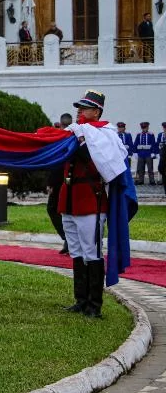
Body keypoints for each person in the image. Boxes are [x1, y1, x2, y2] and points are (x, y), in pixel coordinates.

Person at [58, 89, 118, 318]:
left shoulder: (106, 134)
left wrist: (82, 141)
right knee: (76, 251)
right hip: (71, 198)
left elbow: (101, 161)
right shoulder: (74, 131)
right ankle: (80, 300)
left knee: (91, 252)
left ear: (97, 111)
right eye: (79, 107)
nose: (79, 111)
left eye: (84, 107)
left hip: (90, 200)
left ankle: (95, 305)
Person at [47, 113, 72, 254]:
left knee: (53, 209)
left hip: (59, 182)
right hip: (72, 181)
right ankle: (69, 240)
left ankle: (68, 238)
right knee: (68, 212)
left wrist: (50, 183)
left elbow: (55, 163)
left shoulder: (59, 139)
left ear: (61, 124)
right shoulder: (76, 136)